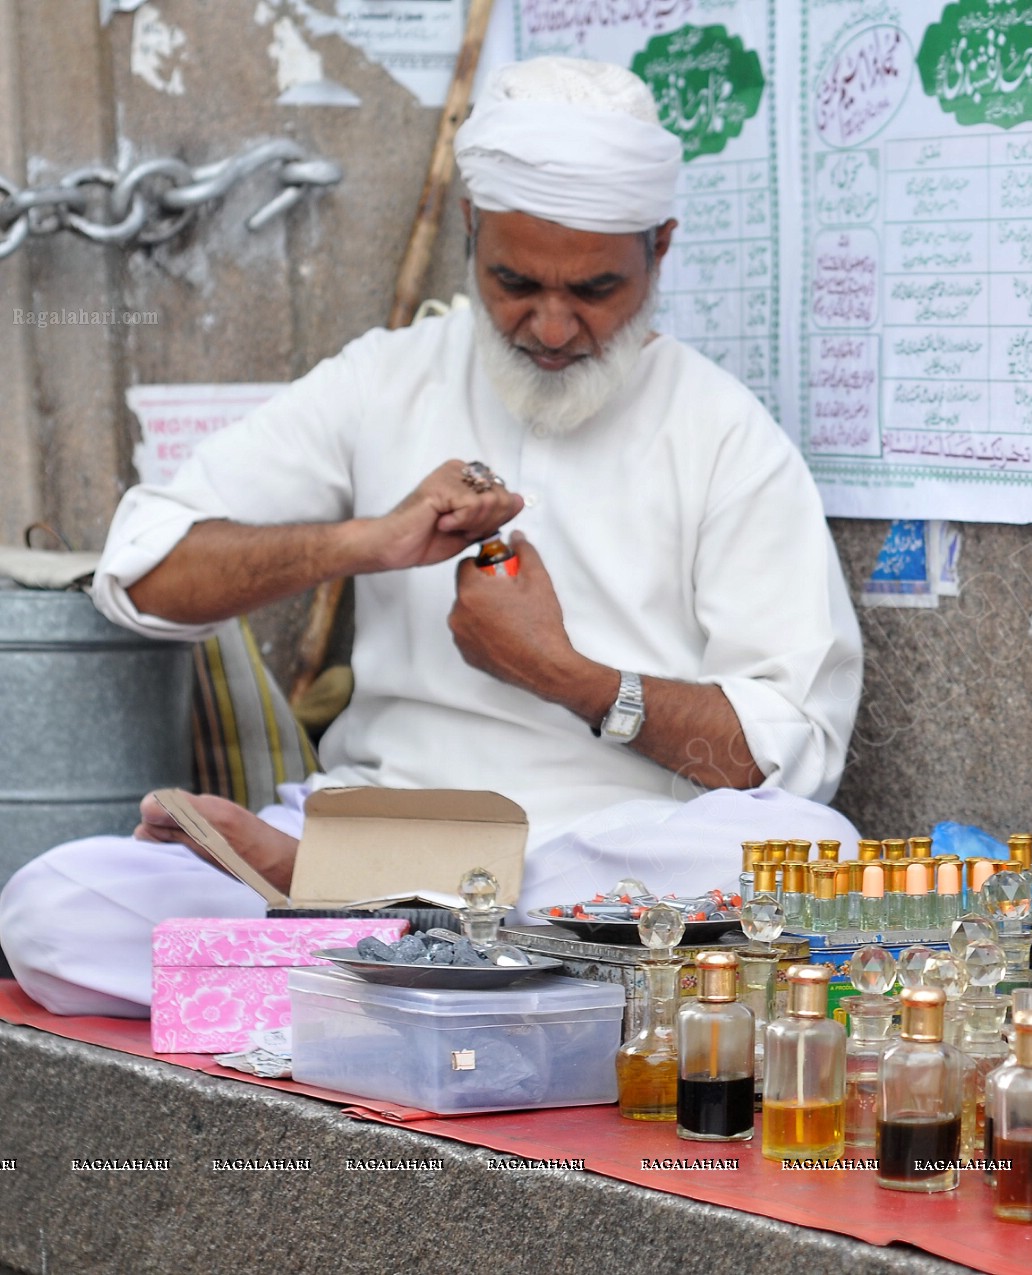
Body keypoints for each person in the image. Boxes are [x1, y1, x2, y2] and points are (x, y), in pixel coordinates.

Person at [0, 57, 863, 1017]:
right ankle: (495, 976)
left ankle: (377, 945)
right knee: (54, 909)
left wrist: (565, 675)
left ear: (660, 248)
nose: (550, 323)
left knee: (801, 856)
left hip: (600, 857)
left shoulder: (724, 433)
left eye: (595, 289)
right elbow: (141, 577)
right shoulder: (383, 379)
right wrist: (366, 542)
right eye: (514, 280)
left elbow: (791, 756)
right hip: (375, 824)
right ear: (469, 233)